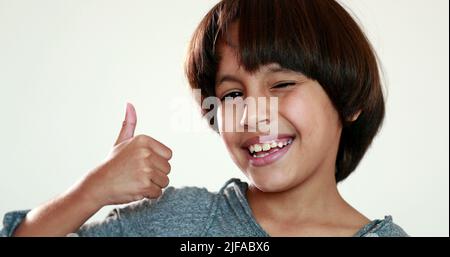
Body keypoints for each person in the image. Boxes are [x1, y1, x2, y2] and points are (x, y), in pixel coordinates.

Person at [1, 0, 408, 237]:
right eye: (232, 94)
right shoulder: (182, 220)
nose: (251, 114)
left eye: (282, 84)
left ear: (349, 100)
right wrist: (92, 191)